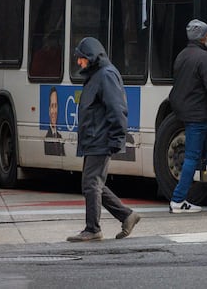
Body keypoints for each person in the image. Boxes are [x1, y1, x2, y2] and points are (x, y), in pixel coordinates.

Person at [66, 37, 140, 242]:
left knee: (91, 183)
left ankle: (93, 229)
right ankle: (127, 215)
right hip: (94, 138)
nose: (79, 63)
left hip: (101, 139)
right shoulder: (96, 75)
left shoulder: (105, 75)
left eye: (81, 59)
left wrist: (117, 138)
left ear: (90, 57)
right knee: (93, 183)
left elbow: (117, 109)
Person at [168, 19, 207, 213]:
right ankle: (178, 200)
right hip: (197, 112)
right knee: (192, 157)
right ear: (204, 37)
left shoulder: (182, 55)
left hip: (185, 108)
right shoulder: (205, 57)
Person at [44, 86, 65, 156]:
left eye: (56, 106)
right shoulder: (46, 139)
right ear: (49, 109)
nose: (54, 111)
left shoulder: (60, 137)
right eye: (52, 106)